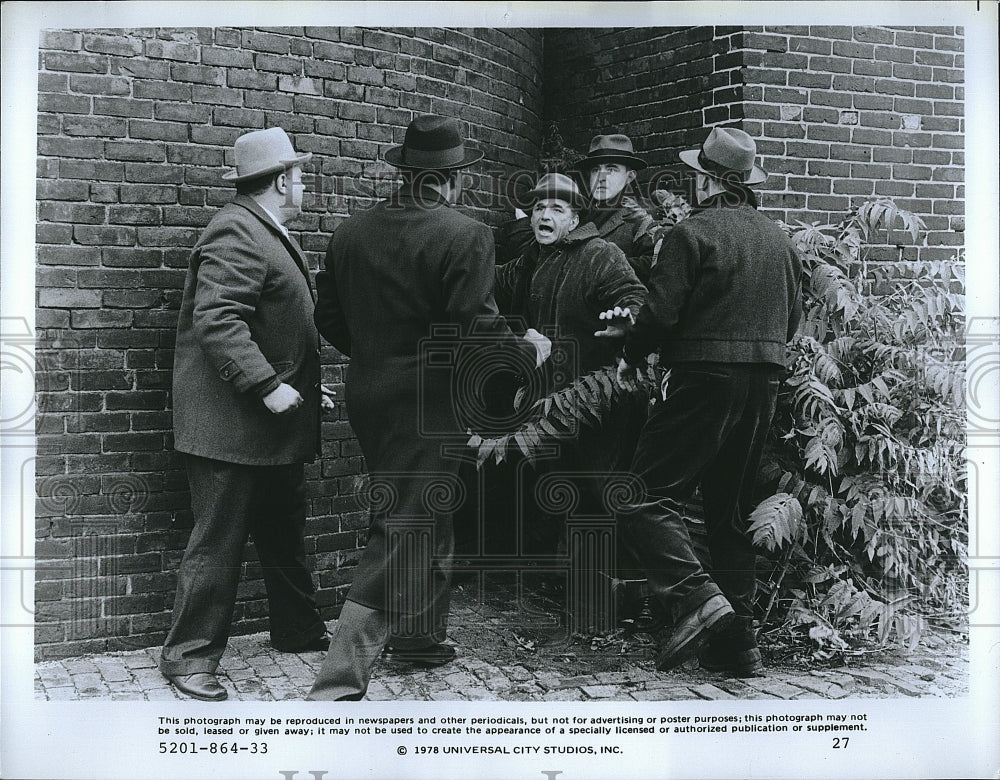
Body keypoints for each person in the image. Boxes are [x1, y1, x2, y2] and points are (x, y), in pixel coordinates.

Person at [307, 115, 551, 701]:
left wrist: (379, 358)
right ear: (453, 178)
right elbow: (476, 328)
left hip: (371, 394)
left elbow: (329, 318)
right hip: (431, 403)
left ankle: (420, 636)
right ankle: (340, 680)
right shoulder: (465, 234)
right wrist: (527, 349)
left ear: (406, 171)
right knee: (406, 522)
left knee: (427, 506)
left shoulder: (351, 232)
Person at [596, 126, 803, 676]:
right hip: (764, 383)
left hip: (702, 380)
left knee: (641, 496)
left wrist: (634, 356)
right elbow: (793, 322)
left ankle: (701, 601)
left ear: (707, 180)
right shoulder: (779, 240)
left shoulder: (692, 234)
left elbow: (660, 315)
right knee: (728, 515)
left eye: (696, 175)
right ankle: (739, 647)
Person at [161, 127, 333, 702]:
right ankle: (189, 659)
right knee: (218, 544)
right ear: (283, 181)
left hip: (269, 425)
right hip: (230, 430)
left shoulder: (265, 231)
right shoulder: (237, 230)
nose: (303, 183)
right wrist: (266, 385)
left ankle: (297, 629)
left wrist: (300, 387)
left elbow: (269, 321)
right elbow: (220, 320)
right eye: (300, 175)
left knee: (284, 532)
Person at [493, 173, 647, 611]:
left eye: (556, 209)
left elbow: (633, 296)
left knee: (599, 495)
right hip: (553, 404)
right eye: (539, 208)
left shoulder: (600, 254)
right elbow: (493, 281)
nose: (544, 215)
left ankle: (613, 603)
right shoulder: (530, 258)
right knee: (561, 491)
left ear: (575, 217)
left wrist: (626, 320)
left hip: (596, 402)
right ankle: (578, 596)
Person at [575, 134, 657, 282]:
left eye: (611, 169)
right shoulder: (578, 216)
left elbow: (656, 262)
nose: (601, 177)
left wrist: (600, 266)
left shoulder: (641, 216)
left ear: (630, 176)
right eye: (595, 170)